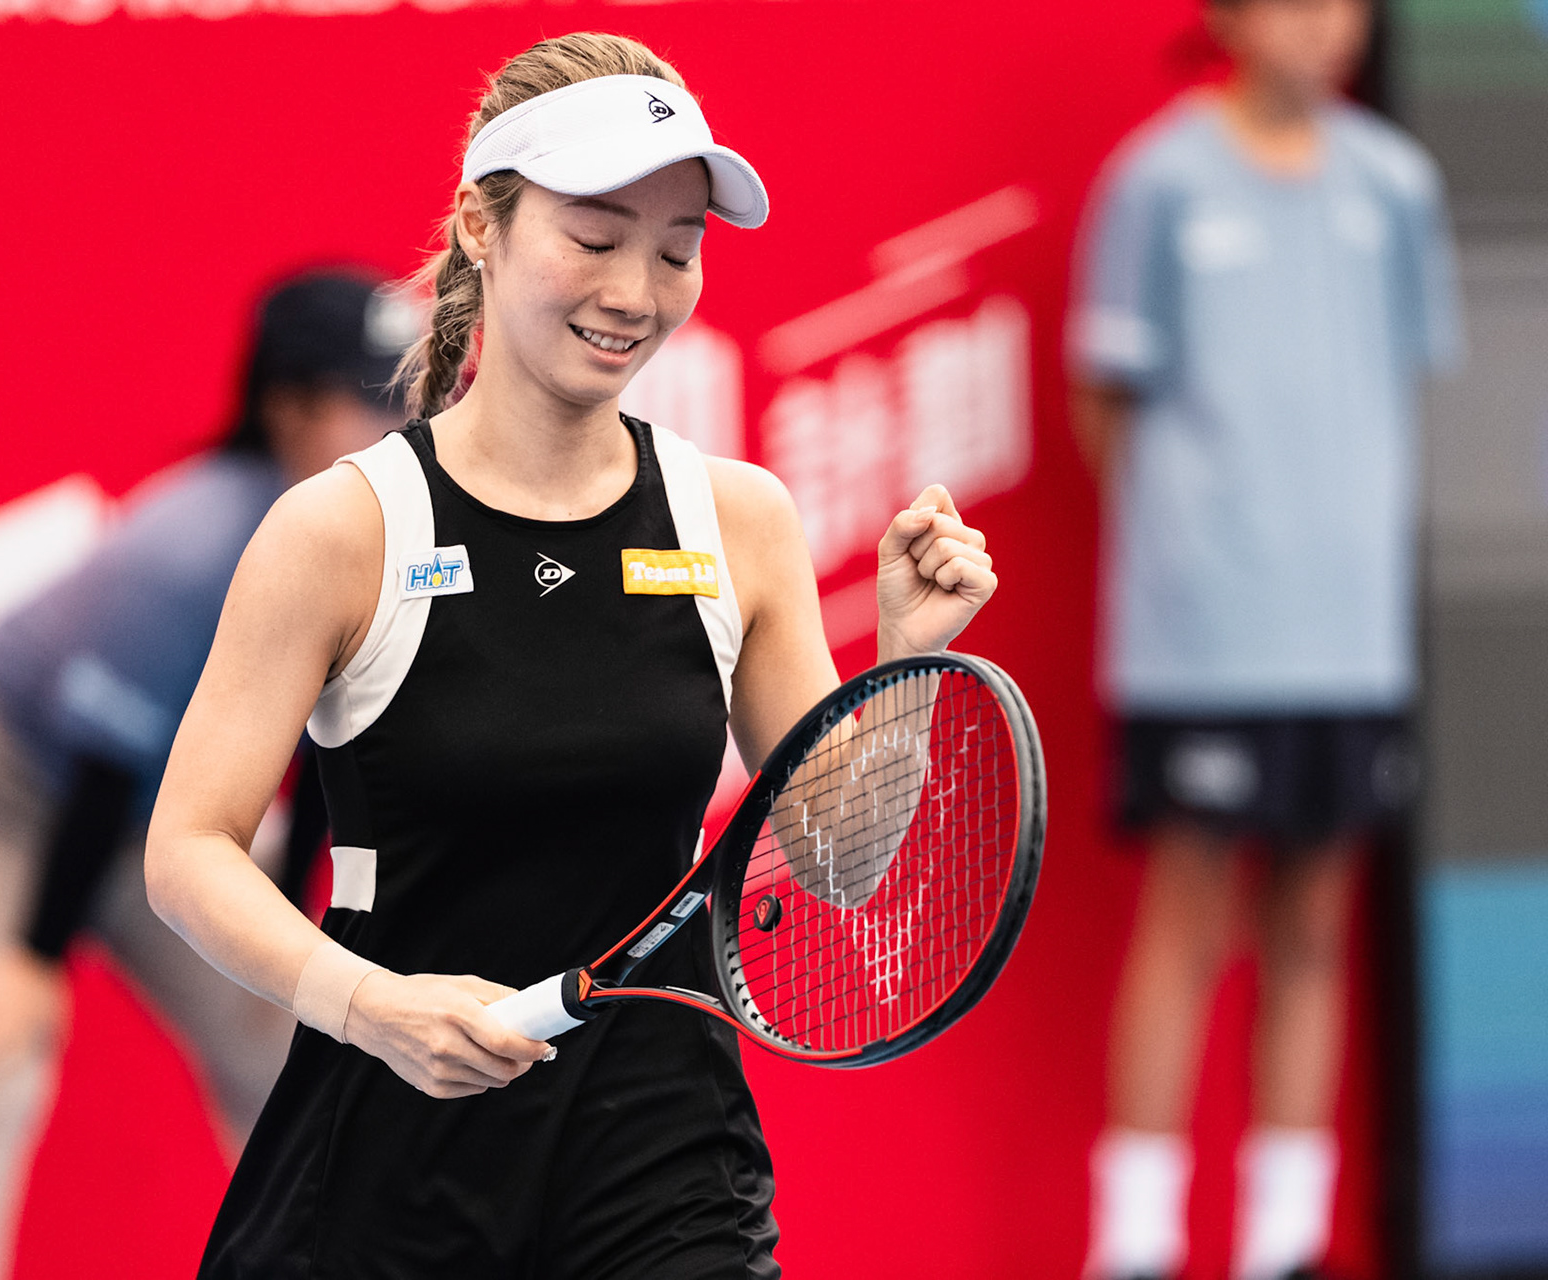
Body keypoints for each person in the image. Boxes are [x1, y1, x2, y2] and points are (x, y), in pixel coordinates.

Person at [144, 31, 999, 1280]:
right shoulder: (346, 528)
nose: (637, 292)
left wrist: (905, 672)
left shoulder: (738, 519)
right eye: (595, 238)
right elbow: (187, 852)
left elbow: (840, 865)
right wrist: (370, 1005)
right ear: (479, 229)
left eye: (676, 249)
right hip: (390, 1142)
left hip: (662, 1149)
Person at [0, 269, 414, 1280]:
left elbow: (331, 749)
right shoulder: (192, 546)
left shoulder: (385, 530)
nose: (396, 424)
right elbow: (104, 759)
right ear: (284, 407)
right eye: (364, 400)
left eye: (409, 393)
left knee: (293, 1041)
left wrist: (282, 938)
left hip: (146, 806)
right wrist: (30, 959)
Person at [1070, 2, 1462, 1278]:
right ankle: (1136, 1240)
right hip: (1203, 643)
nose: (1327, 26)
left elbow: (1401, 384)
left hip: (1350, 644)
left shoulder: (1395, 183)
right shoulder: (1159, 181)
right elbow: (1105, 401)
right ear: (1230, 18)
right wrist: (1197, 557)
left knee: (1314, 928)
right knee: (1189, 923)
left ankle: (1283, 1241)